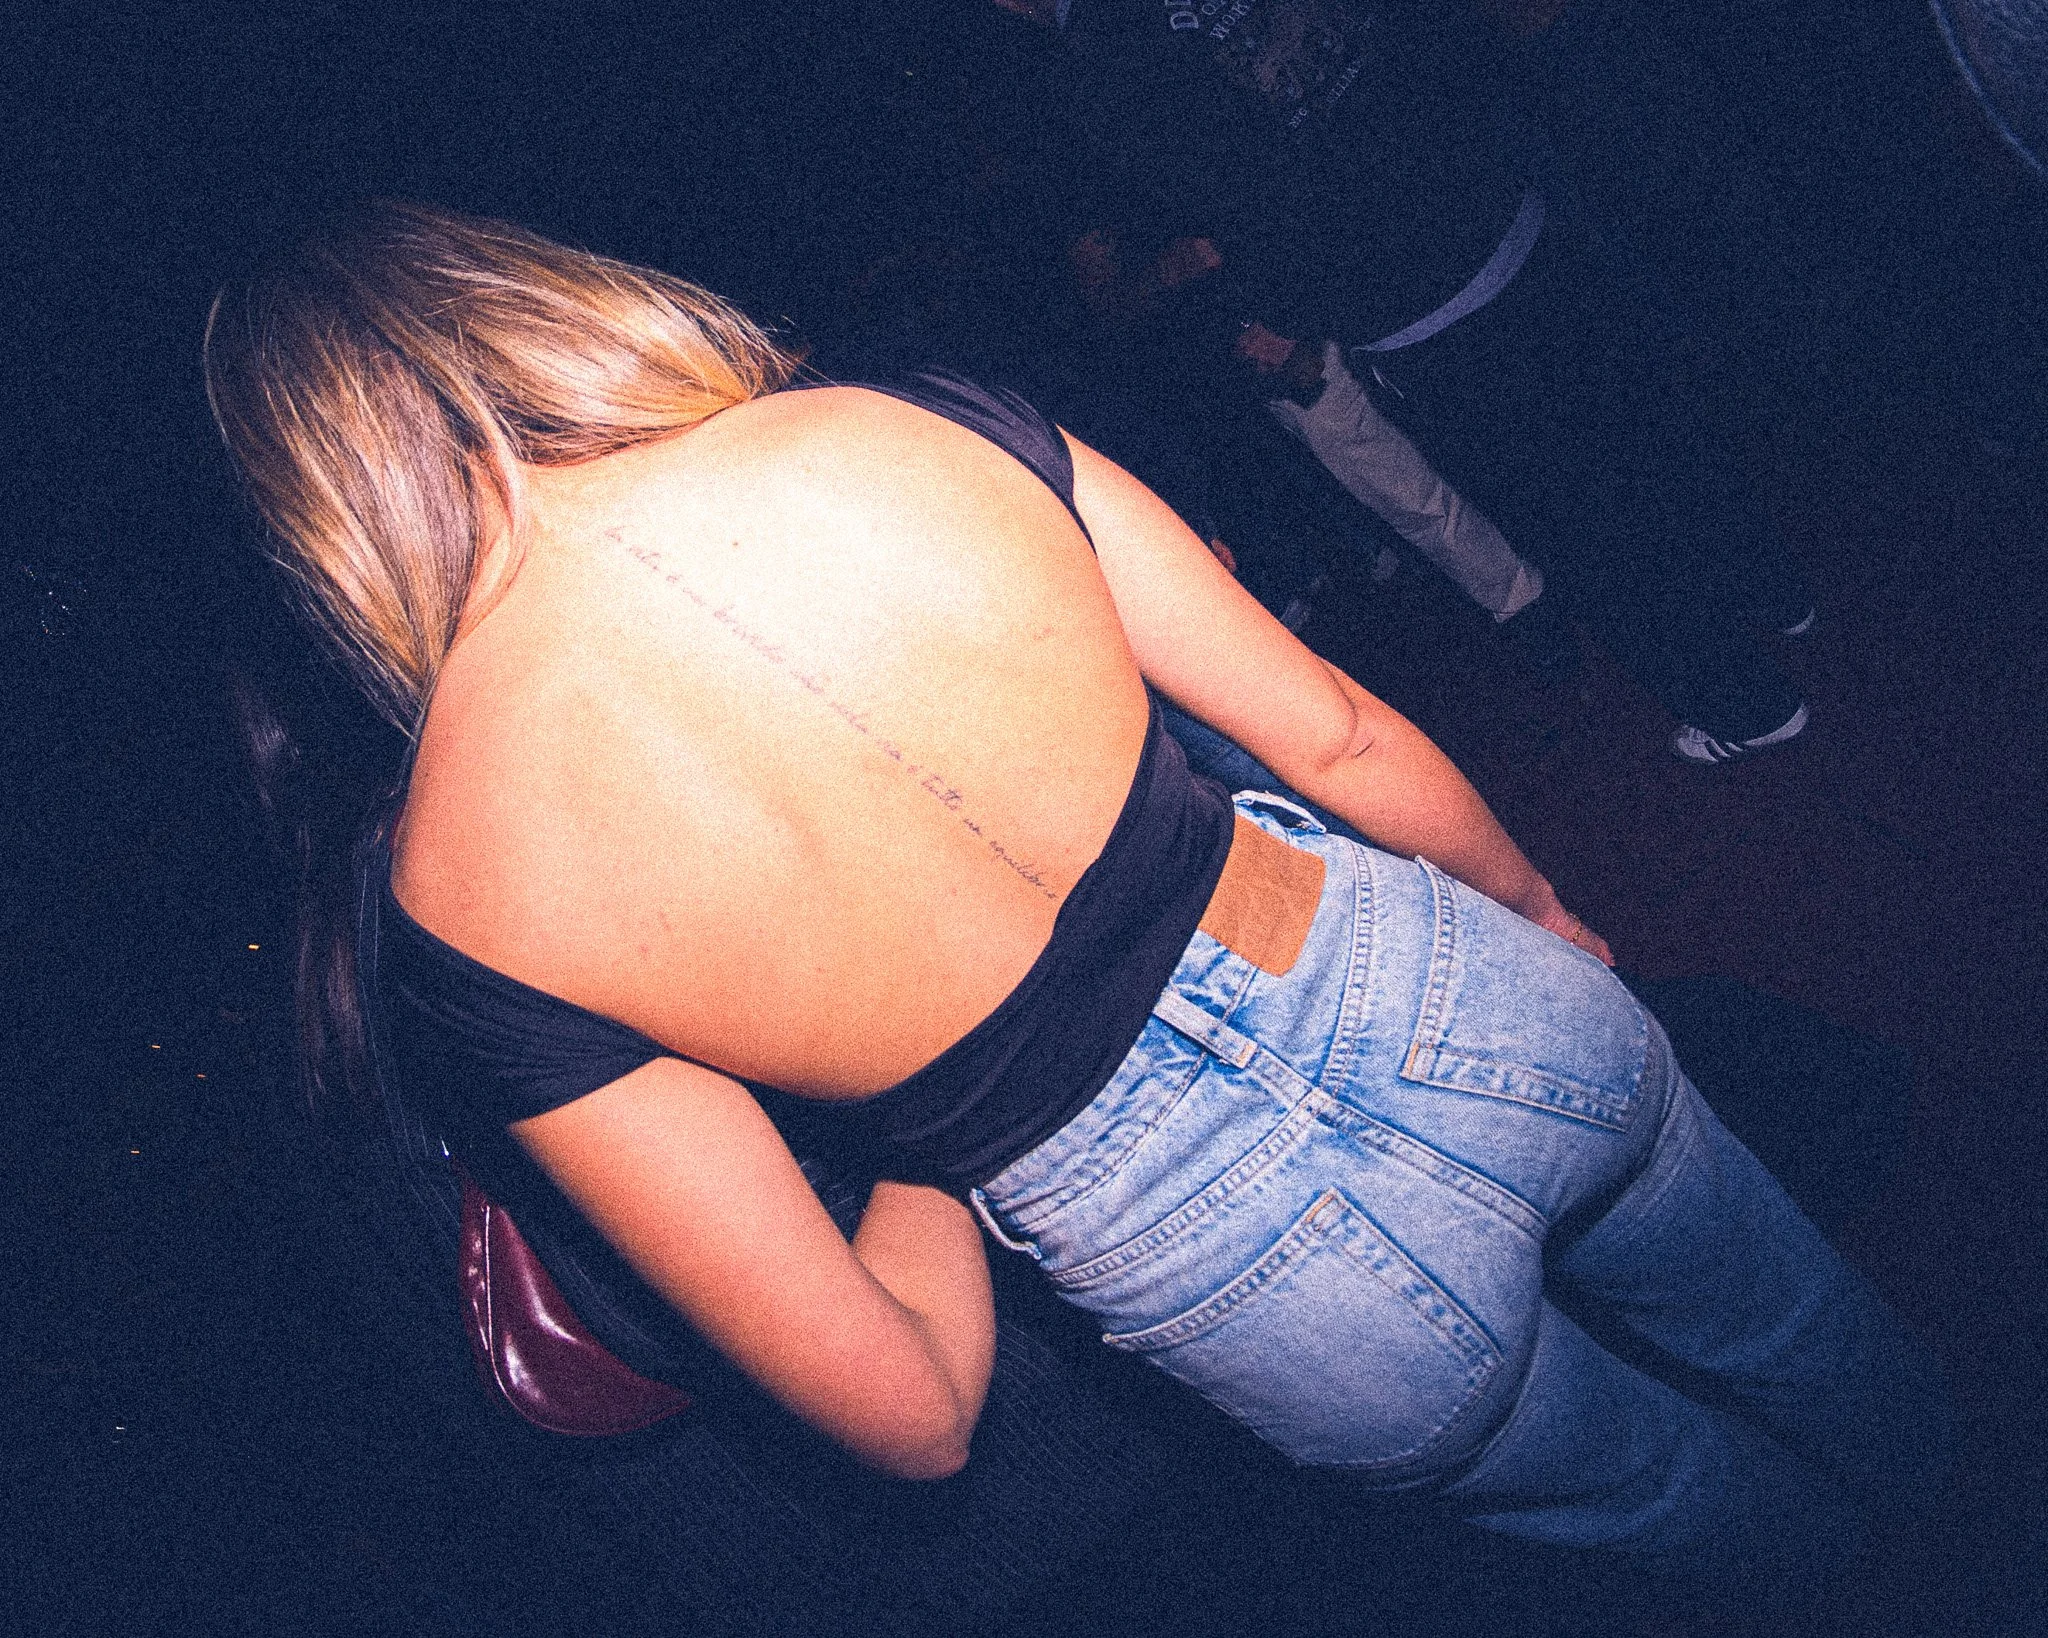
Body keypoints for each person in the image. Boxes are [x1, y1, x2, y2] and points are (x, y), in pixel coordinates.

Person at [204, 201, 1944, 1609]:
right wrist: (1537, 910)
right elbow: (1333, 732)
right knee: (1798, 1322)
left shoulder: (459, 904)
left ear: (319, 520)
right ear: (544, 300)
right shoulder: (918, 424)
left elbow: (910, 1411)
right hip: (1422, 977)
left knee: (1666, 1498)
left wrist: (921, 1108)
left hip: (1235, 1271)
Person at [999, 0, 1819, 763]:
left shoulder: (1110, 56)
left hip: (1411, 294)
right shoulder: (1125, 50)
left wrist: (1287, 315)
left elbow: (1234, 191)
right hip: (1491, 204)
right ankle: (1775, 591)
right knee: (1641, 420)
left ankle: (1744, 705)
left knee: (1574, 510)